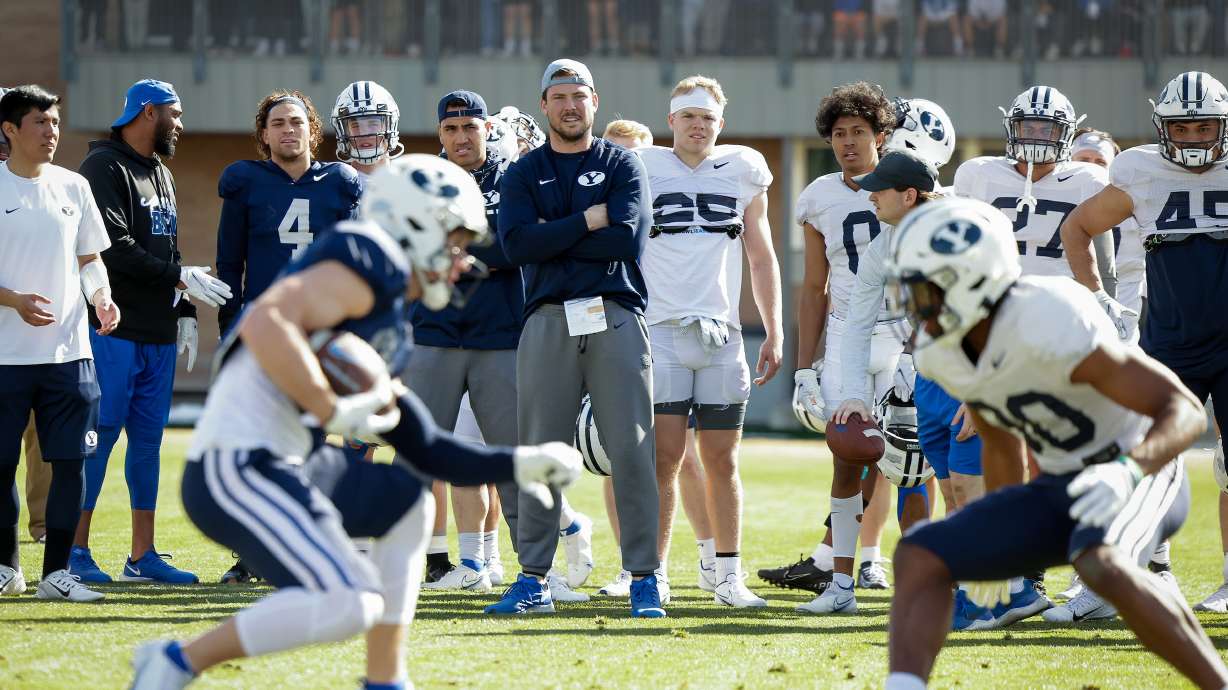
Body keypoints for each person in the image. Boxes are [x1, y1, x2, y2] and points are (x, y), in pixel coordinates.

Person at [127, 154, 583, 690]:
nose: (462, 261)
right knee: (349, 602)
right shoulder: (368, 256)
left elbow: (426, 447)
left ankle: (386, 678)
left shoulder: (388, 317)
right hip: (237, 464)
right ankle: (175, 662)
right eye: (455, 242)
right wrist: (328, 407)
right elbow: (270, 321)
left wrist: (522, 462)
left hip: (295, 461)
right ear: (416, 222)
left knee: (409, 503)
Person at [883, 196, 1228, 690]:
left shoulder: (1048, 315)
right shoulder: (943, 352)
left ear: (973, 280)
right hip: (1062, 483)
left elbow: (1184, 411)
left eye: (926, 290)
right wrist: (996, 531)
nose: (915, 306)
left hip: (1138, 470)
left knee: (1100, 563)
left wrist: (1127, 469)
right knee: (919, 553)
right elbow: (1000, 442)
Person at [488, 58, 664, 617]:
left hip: (613, 314)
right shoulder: (522, 172)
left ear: (594, 101)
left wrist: (552, 236)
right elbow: (516, 247)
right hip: (546, 319)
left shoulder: (623, 164)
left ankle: (644, 576)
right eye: (559, 96)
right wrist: (587, 222)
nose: (569, 105)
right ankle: (535, 578)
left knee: (633, 451)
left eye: (579, 95)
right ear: (544, 105)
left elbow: (626, 242)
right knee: (540, 452)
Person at [1059, 70, 1228, 615]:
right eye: (1183, 129)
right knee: (1136, 461)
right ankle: (1115, 582)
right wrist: (1094, 295)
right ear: (1163, 128)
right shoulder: (1139, 170)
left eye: (1207, 128)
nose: (1196, 139)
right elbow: (1077, 228)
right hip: (1171, 341)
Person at [415, 90, 594, 596]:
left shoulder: (515, 177)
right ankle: (395, 568)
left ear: (487, 129)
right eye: (450, 130)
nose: (460, 138)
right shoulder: (424, 181)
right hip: (434, 335)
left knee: (514, 462)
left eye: (469, 127)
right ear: (440, 135)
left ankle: (537, 574)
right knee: (418, 457)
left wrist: (465, 250)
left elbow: (518, 244)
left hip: (501, 337)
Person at [70, 79, 227, 586]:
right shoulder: (102, 166)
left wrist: (183, 308)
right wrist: (182, 278)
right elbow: (111, 248)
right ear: (145, 112)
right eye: (173, 114)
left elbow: (168, 250)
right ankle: (73, 550)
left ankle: (142, 557)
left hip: (157, 330)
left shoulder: (161, 170)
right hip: (113, 326)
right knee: (99, 436)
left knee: (147, 444)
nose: (179, 124)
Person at [637, 75, 781, 608]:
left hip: (721, 334)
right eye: (689, 116)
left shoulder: (742, 169)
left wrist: (774, 328)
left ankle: (727, 576)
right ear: (671, 120)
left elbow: (761, 256)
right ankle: (651, 576)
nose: (699, 126)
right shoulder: (642, 165)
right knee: (665, 457)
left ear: (721, 125)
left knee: (723, 459)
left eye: (708, 118)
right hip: (662, 329)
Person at [212, 89, 361, 584]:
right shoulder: (245, 182)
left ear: (312, 130)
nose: (288, 131)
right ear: (263, 135)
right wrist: (230, 328)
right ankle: (255, 554)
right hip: (266, 330)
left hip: (322, 330)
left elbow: (354, 262)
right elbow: (230, 264)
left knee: (317, 443)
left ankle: (318, 545)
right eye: (278, 123)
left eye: (296, 122)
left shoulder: (341, 182)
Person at [770, 82, 899, 614]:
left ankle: (946, 578)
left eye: (859, 133)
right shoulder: (819, 194)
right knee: (848, 454)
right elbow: (813, 285)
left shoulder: (909, 179)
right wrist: (804, 368)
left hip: (903, 332)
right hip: (848, 335)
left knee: (922, 459)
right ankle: (839, 584)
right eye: (839, 134)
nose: (848, 143)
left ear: (881, 135)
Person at [0, 84, 119, 602]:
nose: (52, 134)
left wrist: (102, 299)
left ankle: (57, 574)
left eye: (55, 123)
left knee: (70, 464)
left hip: (70, 356)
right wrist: (14, 300)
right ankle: (7, 569)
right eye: (40, 124)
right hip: (5, 358)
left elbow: (90, 259)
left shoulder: (74, 187)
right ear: (10, 130)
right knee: (2, 465)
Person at [829, 149, 942, 531]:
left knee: (967, 480)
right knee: (923, 467)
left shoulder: (954, 234)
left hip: (981, 366)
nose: (871, 196)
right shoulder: (885, 244)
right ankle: (929, 576)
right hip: (934, 363)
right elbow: (858, 323)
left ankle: (1000, 582)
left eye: (879, 189)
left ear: (909, 195)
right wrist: (854, 393)